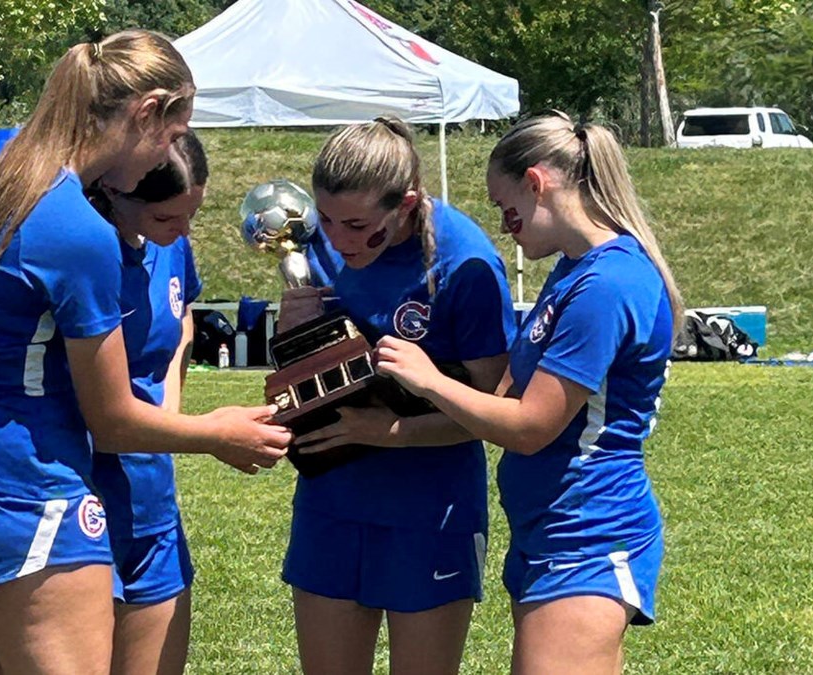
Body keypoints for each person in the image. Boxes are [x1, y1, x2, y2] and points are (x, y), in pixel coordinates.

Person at [0, 31, 290, 675]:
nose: (168, 153)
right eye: (171, 132)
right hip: (25, 485)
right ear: (146, 111)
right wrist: (215, 432)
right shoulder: (77, 229)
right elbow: (113, 419)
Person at [375, 111, 683, 675]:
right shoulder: (572, 270)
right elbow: (506, 400)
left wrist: (428, 378)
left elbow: (530, 427)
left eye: (503, 205)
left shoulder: (607, 283)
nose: (503, 223)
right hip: (551, 529)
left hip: (588, 533)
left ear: (537, 182)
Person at [279, 116, 517, 675]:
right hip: (331, 500)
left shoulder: (466, 265)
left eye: (358, 225)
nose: (338, 240)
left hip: (430, 509)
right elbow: (306, 377)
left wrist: (391, 433)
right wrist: (290, 337)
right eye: (328, 219)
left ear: (406, 204)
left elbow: (498, 412)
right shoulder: (318, 242)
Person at [87, 132, 208, 675]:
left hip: (151, 500)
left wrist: (168, 419)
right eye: (167, 219)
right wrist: (211, 435)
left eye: (191, 215)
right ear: (117, 193)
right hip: (78, 499)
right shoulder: (83, 254)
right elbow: (105, 416)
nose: (183, 232)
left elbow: (183, 318)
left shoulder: (171, 244)